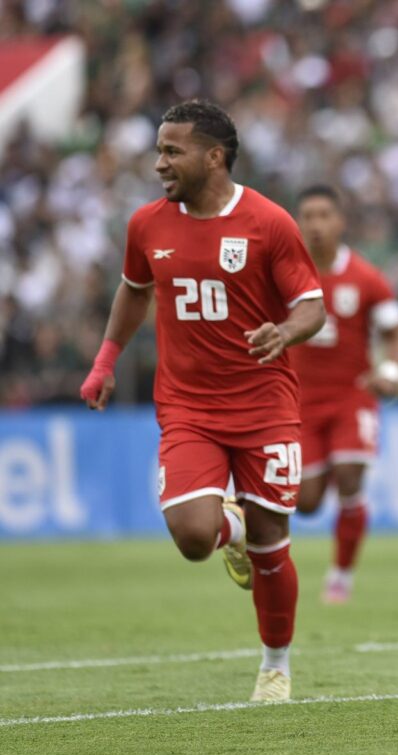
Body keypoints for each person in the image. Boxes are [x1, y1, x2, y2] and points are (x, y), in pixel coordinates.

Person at [79, 100, 326, 702]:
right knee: (193, 536)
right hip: (188, 408)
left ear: (214, 157)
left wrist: (284, 332)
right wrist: (105, 361)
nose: (159, 163)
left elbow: (312, 307)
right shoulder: (147, 225)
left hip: (265, 406)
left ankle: (275, 666)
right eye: (159, 150)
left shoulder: (269, 222)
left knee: (271, 542)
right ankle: (227, 529)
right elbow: (134, 291)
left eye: (172, 151)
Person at [291, 184, 398, 604]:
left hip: (351, 396)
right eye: (308, 216)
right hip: (300, 401)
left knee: (349, 476)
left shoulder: (365, 277)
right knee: (306, 502)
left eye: (324, 215)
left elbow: (397, 330)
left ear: (340, 221)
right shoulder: (286, 275)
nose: (316, 225)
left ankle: (340, 576)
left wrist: (390, 370)